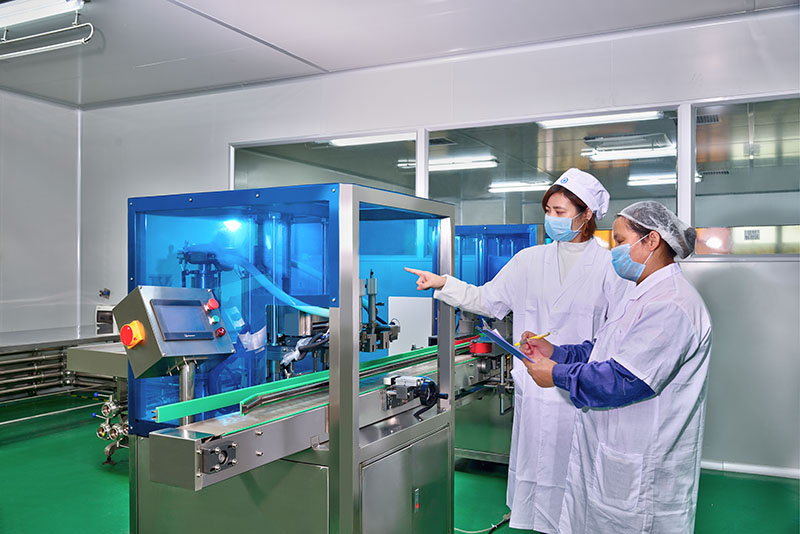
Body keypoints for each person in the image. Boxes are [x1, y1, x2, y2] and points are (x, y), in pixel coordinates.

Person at [405, 168, 631, 533]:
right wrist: (443, 283)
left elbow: (616, 332)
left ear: (586, 213)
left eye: (560, 211)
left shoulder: (609, 267)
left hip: (578, 392)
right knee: (536, 479)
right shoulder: (529, 260)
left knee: (578, 486)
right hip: (534, 389)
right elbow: (487, 299)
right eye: (548, 211)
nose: (552, 219)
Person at [520, 201, 712, 534]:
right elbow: (603, 350)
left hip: (643, 460)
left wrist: (555, 374)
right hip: (614, 449)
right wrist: (557, 353)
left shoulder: (672, 304)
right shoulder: (642, 294)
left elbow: (623, 379)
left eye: (621, 241)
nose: (614, 251)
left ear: (652, 240)